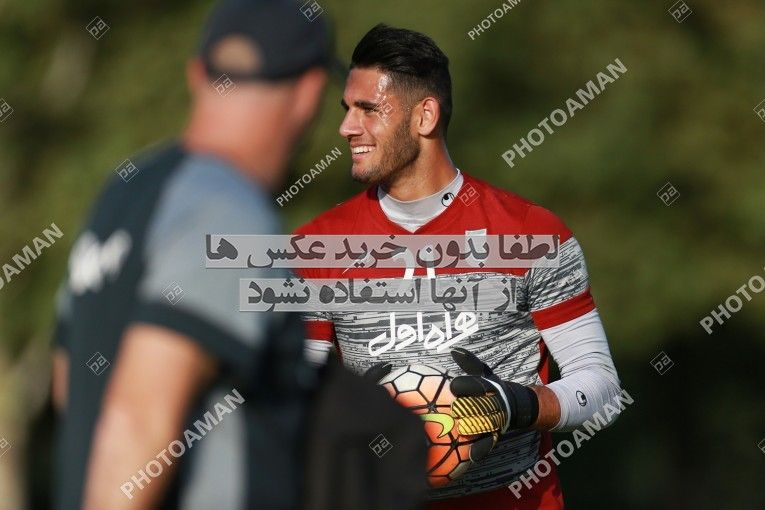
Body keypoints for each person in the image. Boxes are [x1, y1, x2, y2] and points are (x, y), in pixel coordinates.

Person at [295, 24, 623, 509]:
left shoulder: (532, 233)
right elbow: (291, 398)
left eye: (368, 109)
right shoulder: (316, 247)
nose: (346, 127)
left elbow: (603, 390)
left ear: (425, 115)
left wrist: (516, 405)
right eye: (347, 109)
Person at [52, 1, 332, 508]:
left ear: (198, 74)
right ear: (310, 92)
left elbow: (71, 381)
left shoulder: (125, 191)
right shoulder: (228, 213)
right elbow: (139, 419)